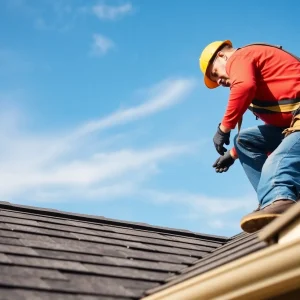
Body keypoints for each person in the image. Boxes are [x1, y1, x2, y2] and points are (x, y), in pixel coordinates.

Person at [198, 40, 300, 233]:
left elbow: (244, 87)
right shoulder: (253, 70)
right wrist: (233, 154)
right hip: (293, 125)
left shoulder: (240, 57)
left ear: (221, 56)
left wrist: (224, 128)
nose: (219, 81)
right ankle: (272, 201)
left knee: (279, 162)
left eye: (215, 73)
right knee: (244, 141)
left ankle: (280, 199)